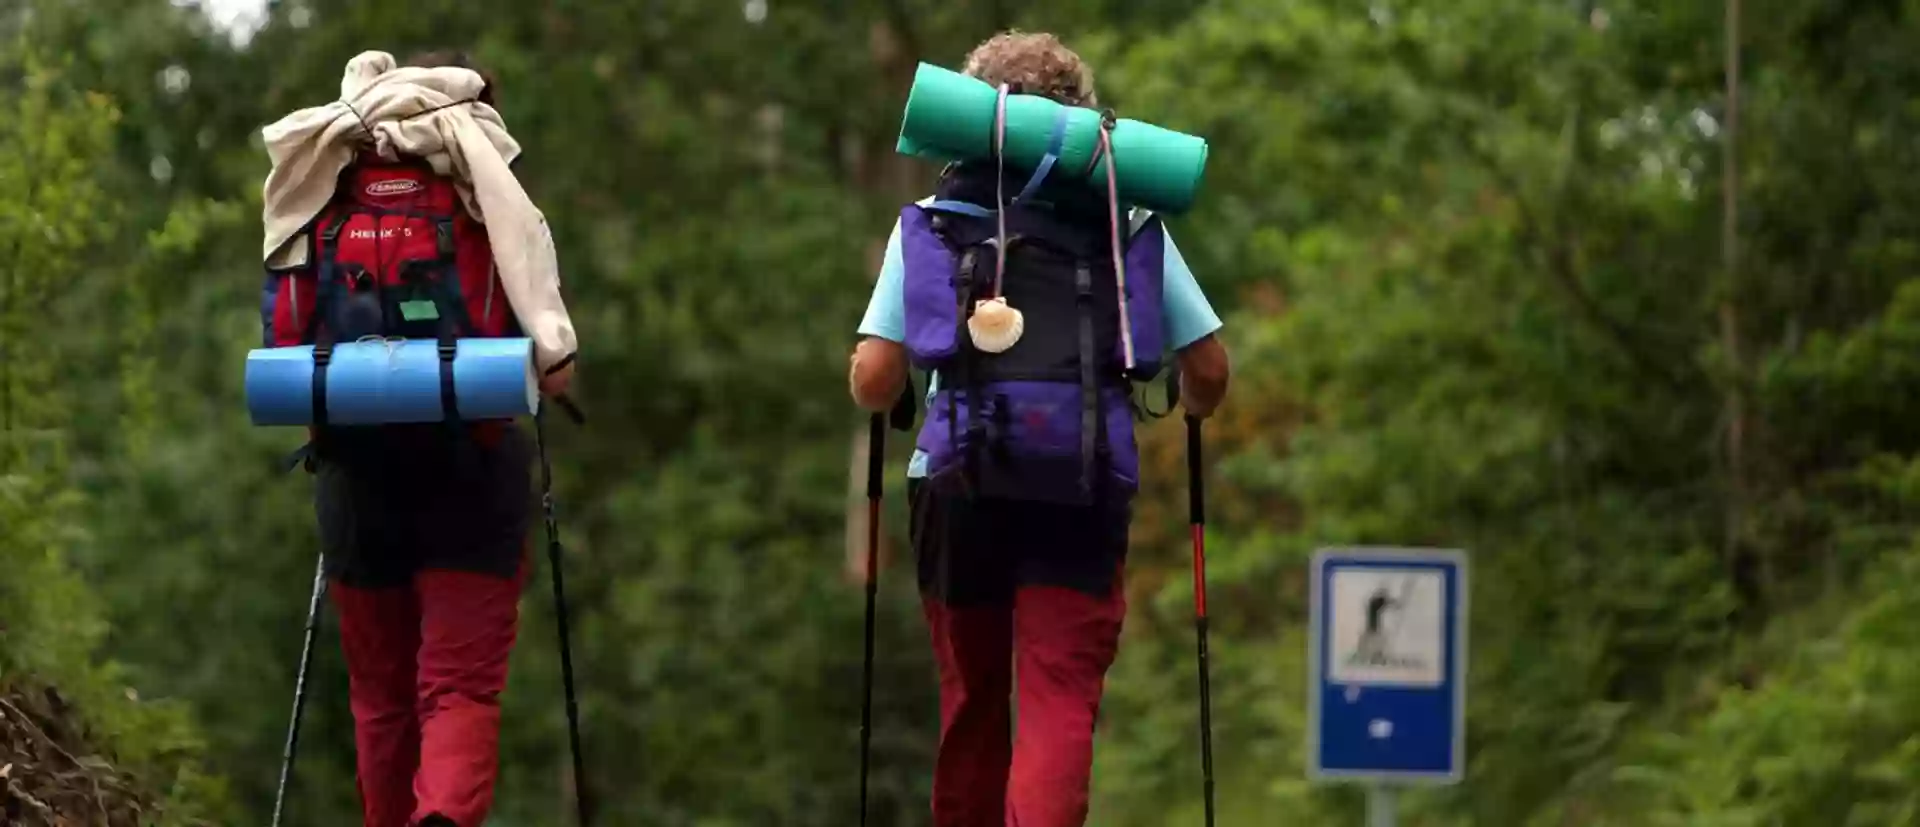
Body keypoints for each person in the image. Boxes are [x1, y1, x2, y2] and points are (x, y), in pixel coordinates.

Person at [848, 30, 1231, 827]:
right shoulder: (1122, 220)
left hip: (957, 482)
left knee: (973, 697)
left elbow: (878, 378)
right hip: (1084, 479)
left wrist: (886, 390)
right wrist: (1190, 409)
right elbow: (1212, 370)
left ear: (971, 119)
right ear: (1082, 121)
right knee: (1059, 695)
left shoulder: (931, 217)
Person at [257, 49, 576, 827]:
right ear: (477, 104)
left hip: (356, 473)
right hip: (474, 465)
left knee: (380, 698)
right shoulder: (480, 177)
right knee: (457, 687)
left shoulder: (328, 172)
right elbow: (556, 367)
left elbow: (289, 337)